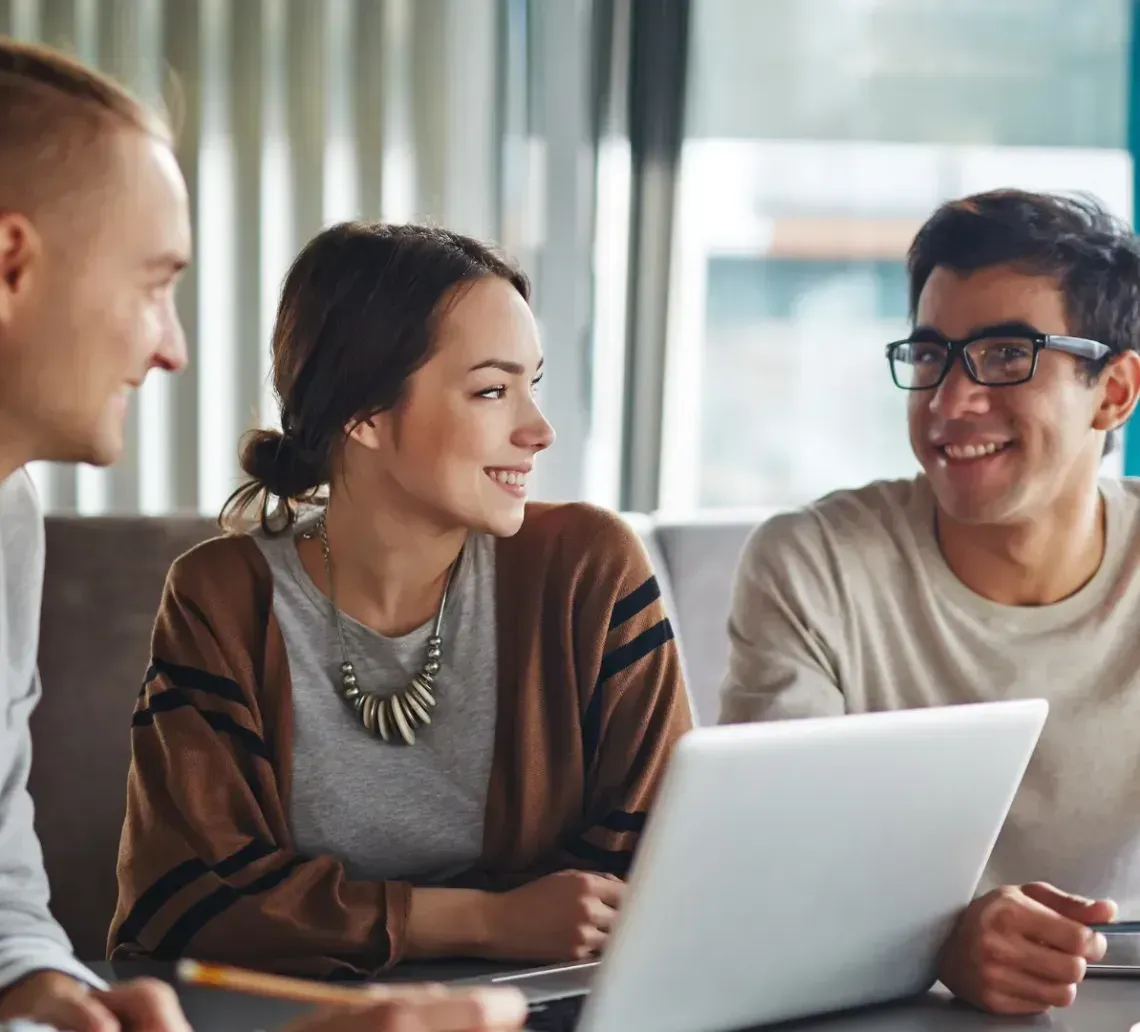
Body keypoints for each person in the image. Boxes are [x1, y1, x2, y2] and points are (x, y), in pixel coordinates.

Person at [0, 38, 524, 1032]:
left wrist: (58, 999)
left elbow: (1, 904)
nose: (173, 346)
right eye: (155, 283)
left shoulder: (8, 517)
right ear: (12, 265)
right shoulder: (222, 596)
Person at [109, 221, 692, 976]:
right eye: (492, 390)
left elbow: (660, 865)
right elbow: (184, 900)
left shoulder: (588, 569)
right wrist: (490, 919)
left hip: (543, 1005)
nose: (538, 430)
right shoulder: (220, 599)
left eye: (532, 384)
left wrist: (323, 914)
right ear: (366, 415)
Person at [717, 189, 1140, 1016]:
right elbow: (764, 875)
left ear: (1115, 391)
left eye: (1007, 355)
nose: (951, 402)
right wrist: (938, 943)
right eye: (932, 355)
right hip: (870, 1012)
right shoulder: (815, 565)